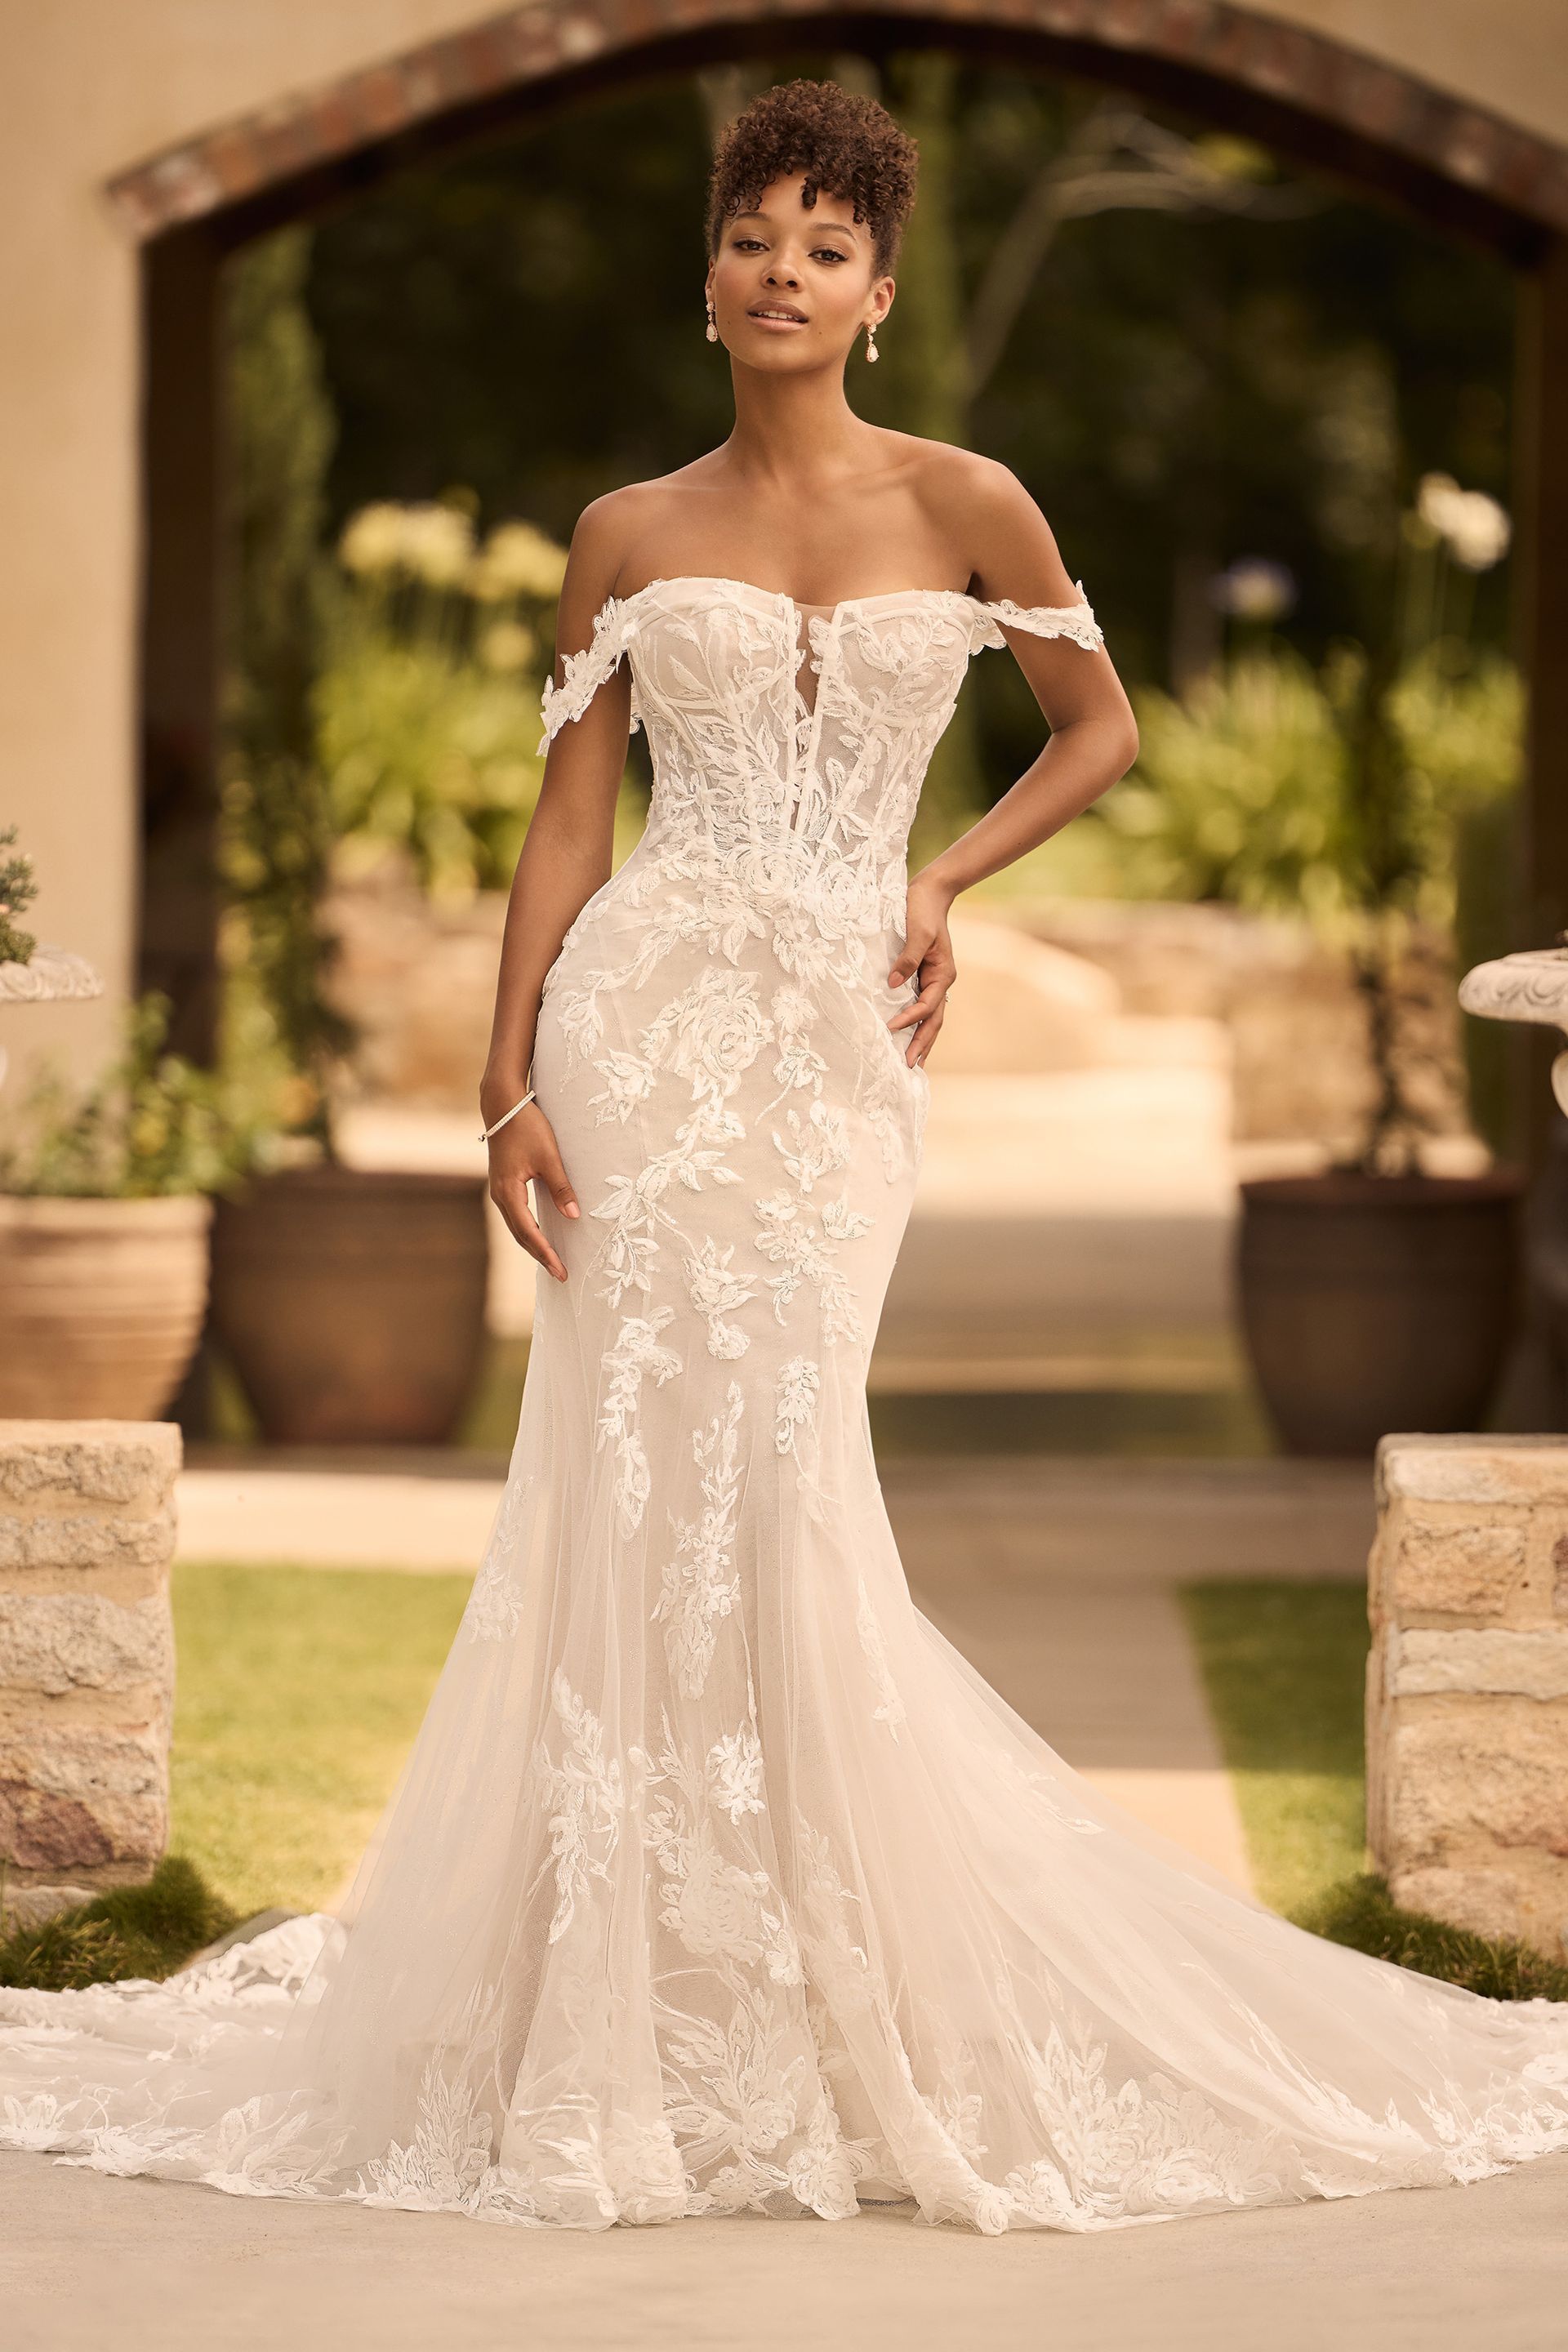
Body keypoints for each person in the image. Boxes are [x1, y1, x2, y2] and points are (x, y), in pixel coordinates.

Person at [3, 78, 1566, 2237]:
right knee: (634, 1476)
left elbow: (1102, 730)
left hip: (840, 1040)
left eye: (825, 245)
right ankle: (616, 2001)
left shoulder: (971, 500)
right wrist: (506, 1081)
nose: (781, 271)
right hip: (644, 1027)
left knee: (789, 1465)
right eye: (754, 235)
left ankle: (829, 1988)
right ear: (709, 273)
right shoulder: (627, 532)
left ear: (882, 295)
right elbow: (571, 826)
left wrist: (949, 882)